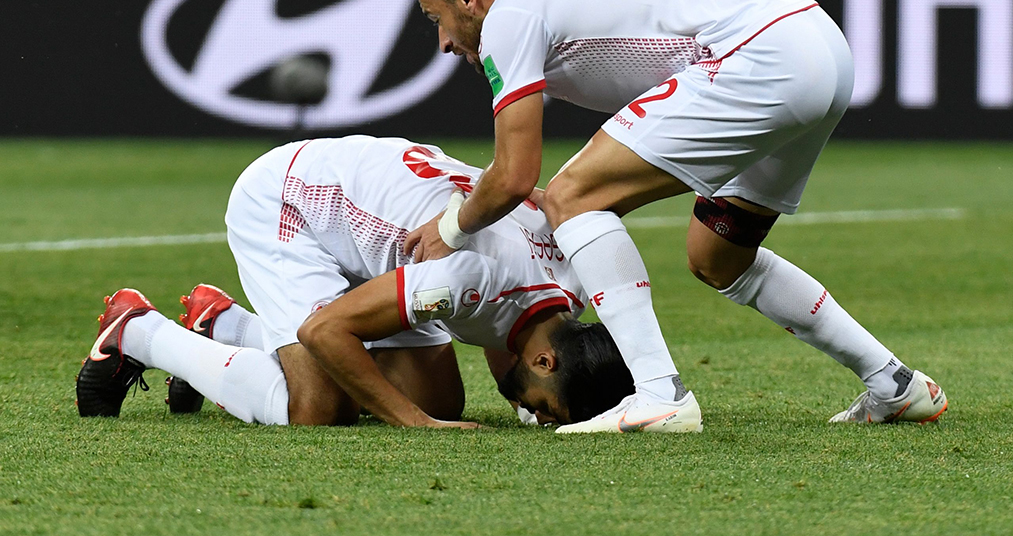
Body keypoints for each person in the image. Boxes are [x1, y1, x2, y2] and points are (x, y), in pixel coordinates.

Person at [406, 0, 948, 433]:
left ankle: (660, 393)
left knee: (572, 196)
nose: (445, 44)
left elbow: (514, 176)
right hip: (821, 47)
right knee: (719, 258)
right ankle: (894, 383)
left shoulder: (510, 13)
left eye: (437, 20)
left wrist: (450, 228)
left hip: (755, 57)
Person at [76, 136, 635, 428]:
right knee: (320, 409)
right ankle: (138, 332)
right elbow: (327, 331)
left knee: (440, 399)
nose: (538, 418)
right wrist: (412, 425)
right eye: (547, 412)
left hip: (380, 226)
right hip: (290, 202)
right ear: (545, 362)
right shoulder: (469, 279)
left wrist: (430, 410)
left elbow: (506, 326)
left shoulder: (569, 278)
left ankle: (224, 326)